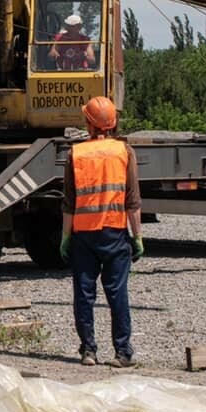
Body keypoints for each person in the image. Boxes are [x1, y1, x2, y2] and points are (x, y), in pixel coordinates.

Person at [59, 96, 143, 367]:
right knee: (117, 292)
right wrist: (138, 236)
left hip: (84, 234)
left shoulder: (76, 153)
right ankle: (122, 353)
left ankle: (88, 351)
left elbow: (69, 203)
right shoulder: (124, 152)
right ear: (113, 123)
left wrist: (65, 237)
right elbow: (132, 201)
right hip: (115, 232)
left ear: (88, 123)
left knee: (84, 293)